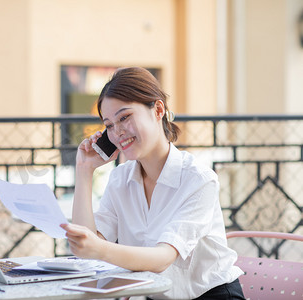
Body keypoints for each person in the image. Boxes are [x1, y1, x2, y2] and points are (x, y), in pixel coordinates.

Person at [60, 67, 245, 299]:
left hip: (211, 295)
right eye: (108, 125)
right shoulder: (120, 180)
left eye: (124, 117)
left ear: (158, 110)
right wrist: (84, 171)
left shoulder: (198, 180)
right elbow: (86, 251)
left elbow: (162, 258)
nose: (117, 133)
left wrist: (98, 248)